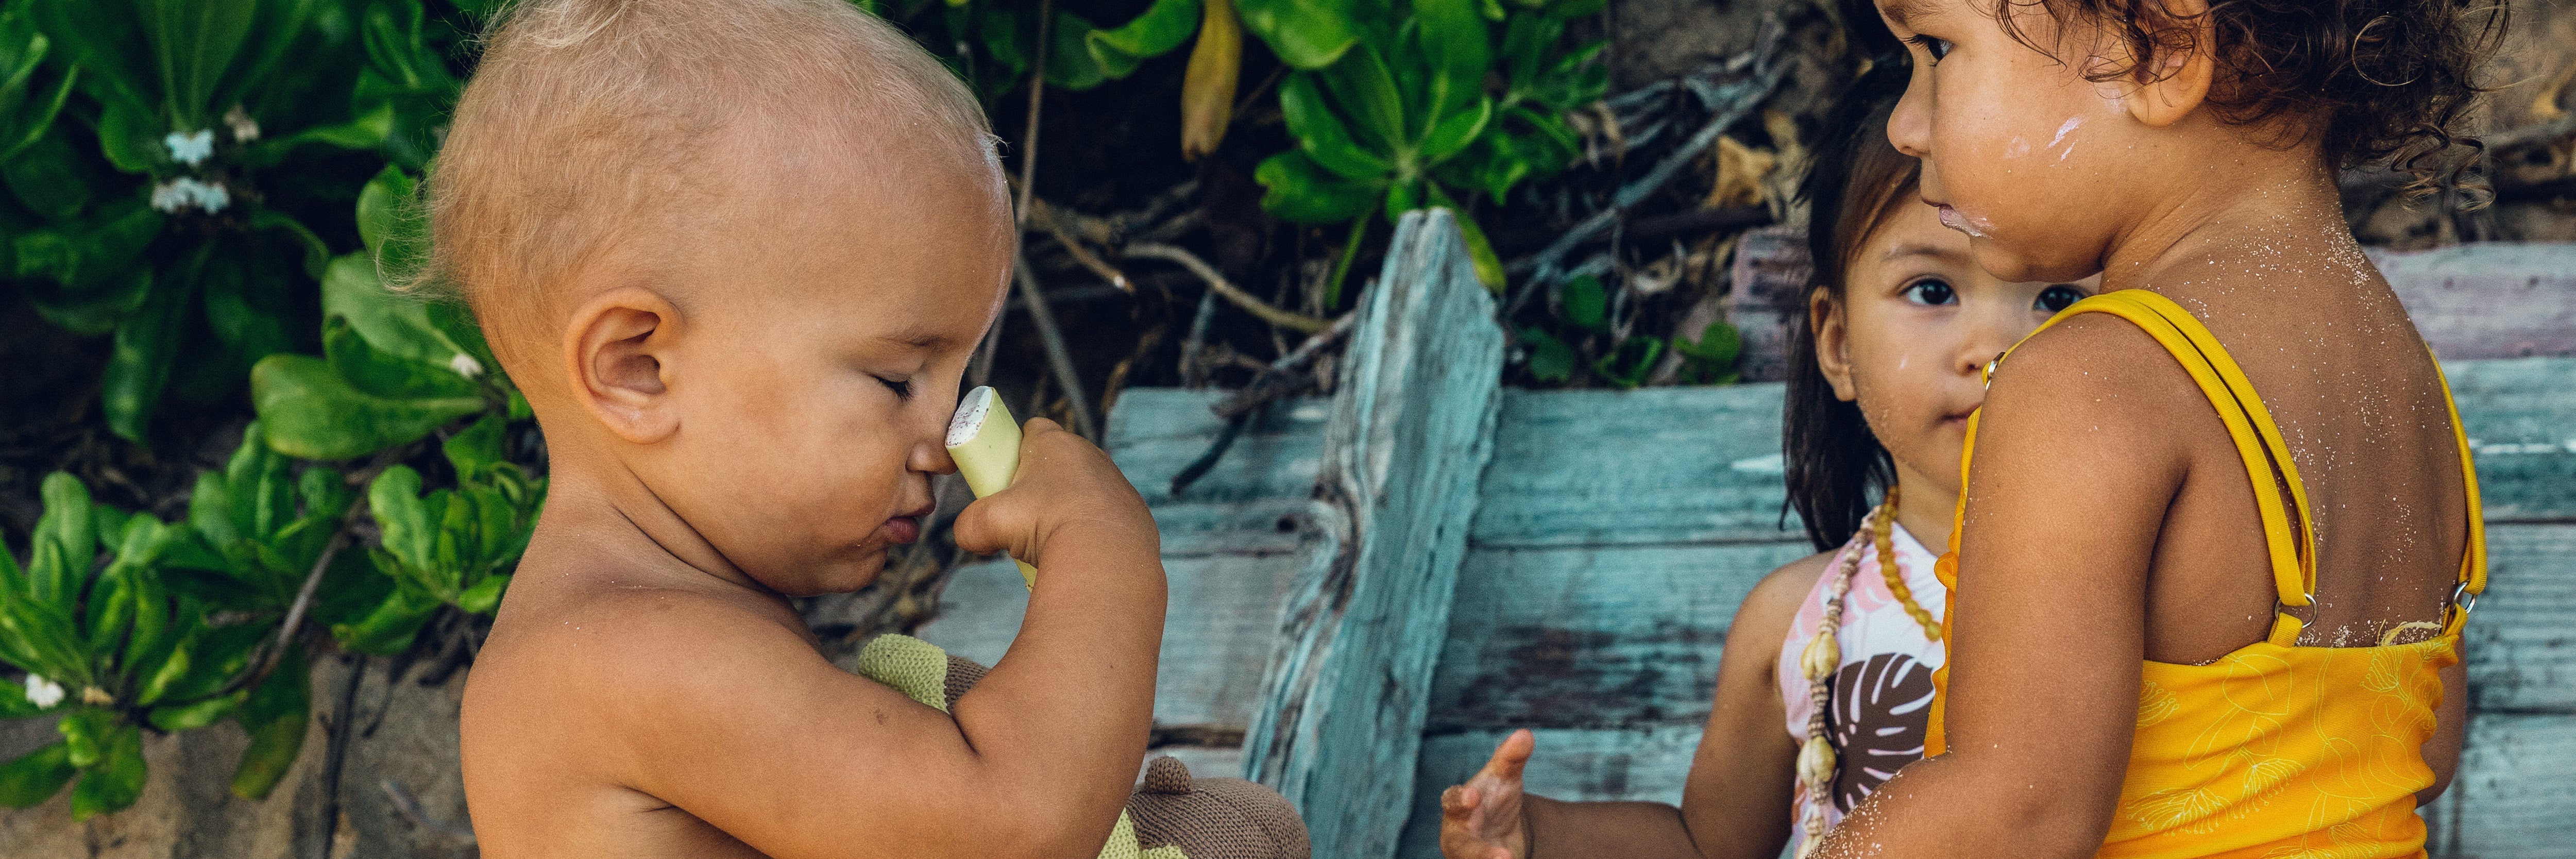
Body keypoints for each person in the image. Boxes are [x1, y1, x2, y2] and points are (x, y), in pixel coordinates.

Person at [435, 1, 1171, 856]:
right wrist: (1111, 557)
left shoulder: (644, 630)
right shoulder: (628, 660)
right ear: (638, 367)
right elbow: (1011, 827)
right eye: (897, 378)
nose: (943, 439)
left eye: (954, 376)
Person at [1803, 0, 2503, 856]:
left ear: (2160, 53)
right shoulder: (2404, 376)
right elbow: (2425, 751)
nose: (1909, 127)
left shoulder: (2091, 379)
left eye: (1939, 50)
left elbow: (2016, 812)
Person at [1437, 61, 2097, 859]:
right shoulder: (1800, 619)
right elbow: (1703, 847)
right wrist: (1537, 836)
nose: (1993, 348)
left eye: (2059, 299)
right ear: (1839, 343)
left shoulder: (2147, 590)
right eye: (1931, 291)